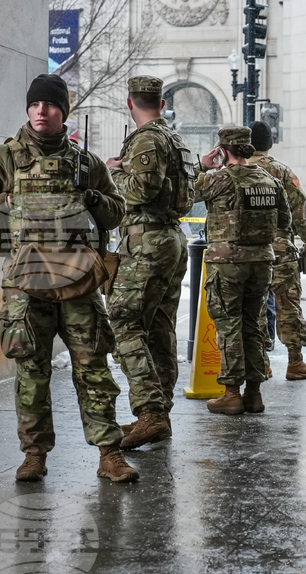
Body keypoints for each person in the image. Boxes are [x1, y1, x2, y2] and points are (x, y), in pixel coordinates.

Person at [0, 73, 138, 483]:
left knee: (93, 371)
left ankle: (110, 454)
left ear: (63, 112)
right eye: (35, 104)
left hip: (79, 282)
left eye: (50, 105)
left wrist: (90, 198)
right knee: (32, 374)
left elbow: (117, 212)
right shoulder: (3, 159)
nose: (41, 111)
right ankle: (34, 455)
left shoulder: (86, 163)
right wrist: (5, 199)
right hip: (26, 283)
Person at [105, 76, 195, 449]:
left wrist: (114, 169)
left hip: (148, 240)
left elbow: (142, 189)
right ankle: (159, 413)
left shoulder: (147, 138)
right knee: (158, 328)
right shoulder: (177, 139)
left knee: (123, 321)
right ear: (161, 100)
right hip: (171, 238)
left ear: (130, 102)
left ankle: (151, 413)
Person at [195, 126, 291, 415]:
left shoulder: (218, 180)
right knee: (253, 325)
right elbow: (284, 221)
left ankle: (232, 393)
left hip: (227, 263)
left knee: (228, 326)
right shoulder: (270, 180)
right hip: (262, 261)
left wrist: (202, 165)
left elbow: (181, 194)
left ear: (223, 150)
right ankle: (254, 393)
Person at [248, 121, 306, 381]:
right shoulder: (280, 172)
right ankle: (295, 363)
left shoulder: (236, 171)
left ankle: (262, 365)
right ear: (269, 144)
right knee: (288, 307)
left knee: (254, 310)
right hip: (281, 252)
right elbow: (300, 211)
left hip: (249, 253)